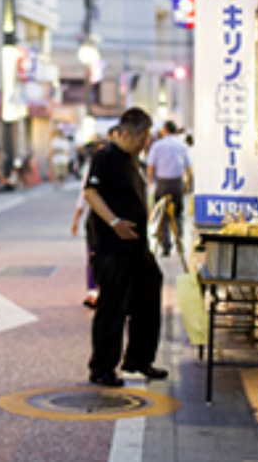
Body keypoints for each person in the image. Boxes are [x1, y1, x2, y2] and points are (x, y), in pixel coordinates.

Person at [83, 108, 166, 387]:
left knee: (150, 292)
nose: (147, 142)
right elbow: (90, 193)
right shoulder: (105, 157)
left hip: (136, 247)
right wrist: (115, 222)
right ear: (131, 134)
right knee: (113, 306)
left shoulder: (134, 161)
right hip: (112, 247)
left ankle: (138, 361)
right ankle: (102, 367)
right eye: (144, 137)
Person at [71, 129, 116, 309]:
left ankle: (99, 292)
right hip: (99, 220)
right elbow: (84, 196)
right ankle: (94, 292)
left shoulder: (117, 167)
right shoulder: (95, 168)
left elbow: (84, 195)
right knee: (95, 256)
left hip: (107, 220)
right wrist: (75, 219)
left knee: (100, 256)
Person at [146, 121, 192, 257]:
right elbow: (188, 167)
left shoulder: (157, 145)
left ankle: (165, 245)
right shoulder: (182, 145)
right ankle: (179, 242)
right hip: (177, 182)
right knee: (178, 214)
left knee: (163, 215)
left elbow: (150, 166)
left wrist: (150, 182)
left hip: (162, 183)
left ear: (165, 130)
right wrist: (188, 184)